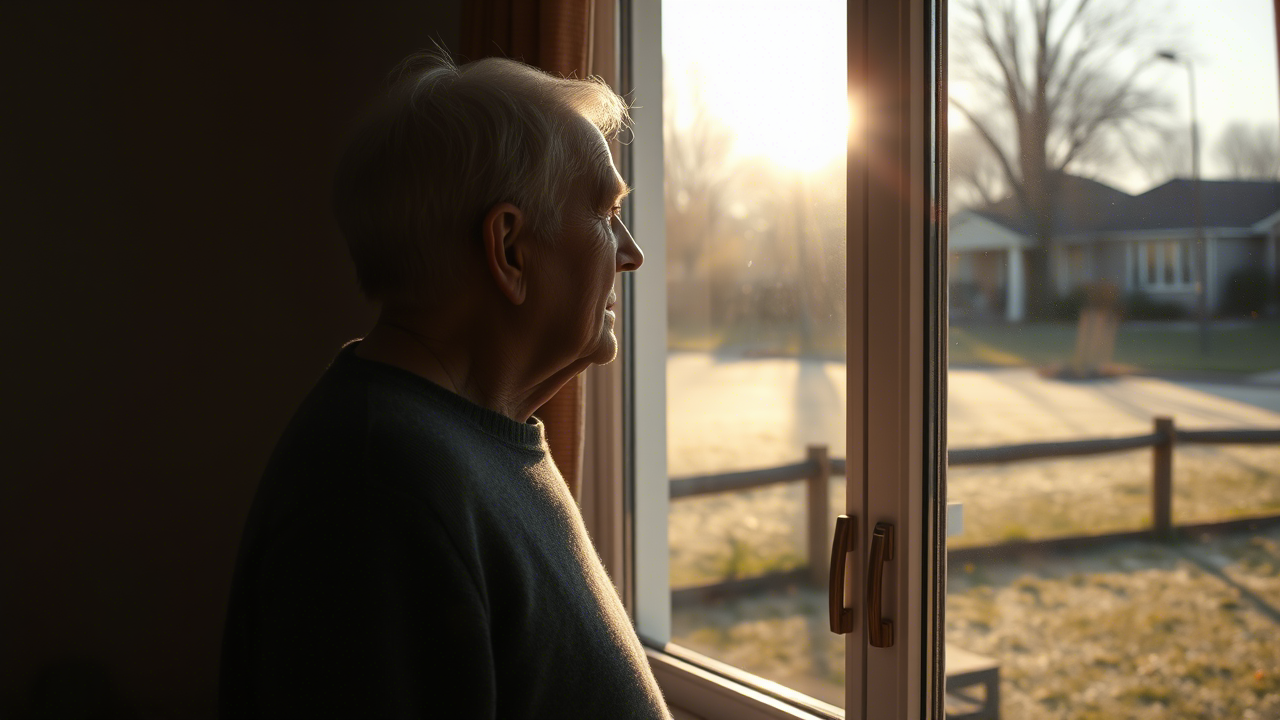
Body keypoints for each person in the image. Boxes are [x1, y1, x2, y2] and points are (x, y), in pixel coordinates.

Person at [219, 49, 669, 719]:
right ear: (510, 249)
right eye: (605, 214)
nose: (630, 253)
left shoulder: (460, 441)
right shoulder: (379, 486)